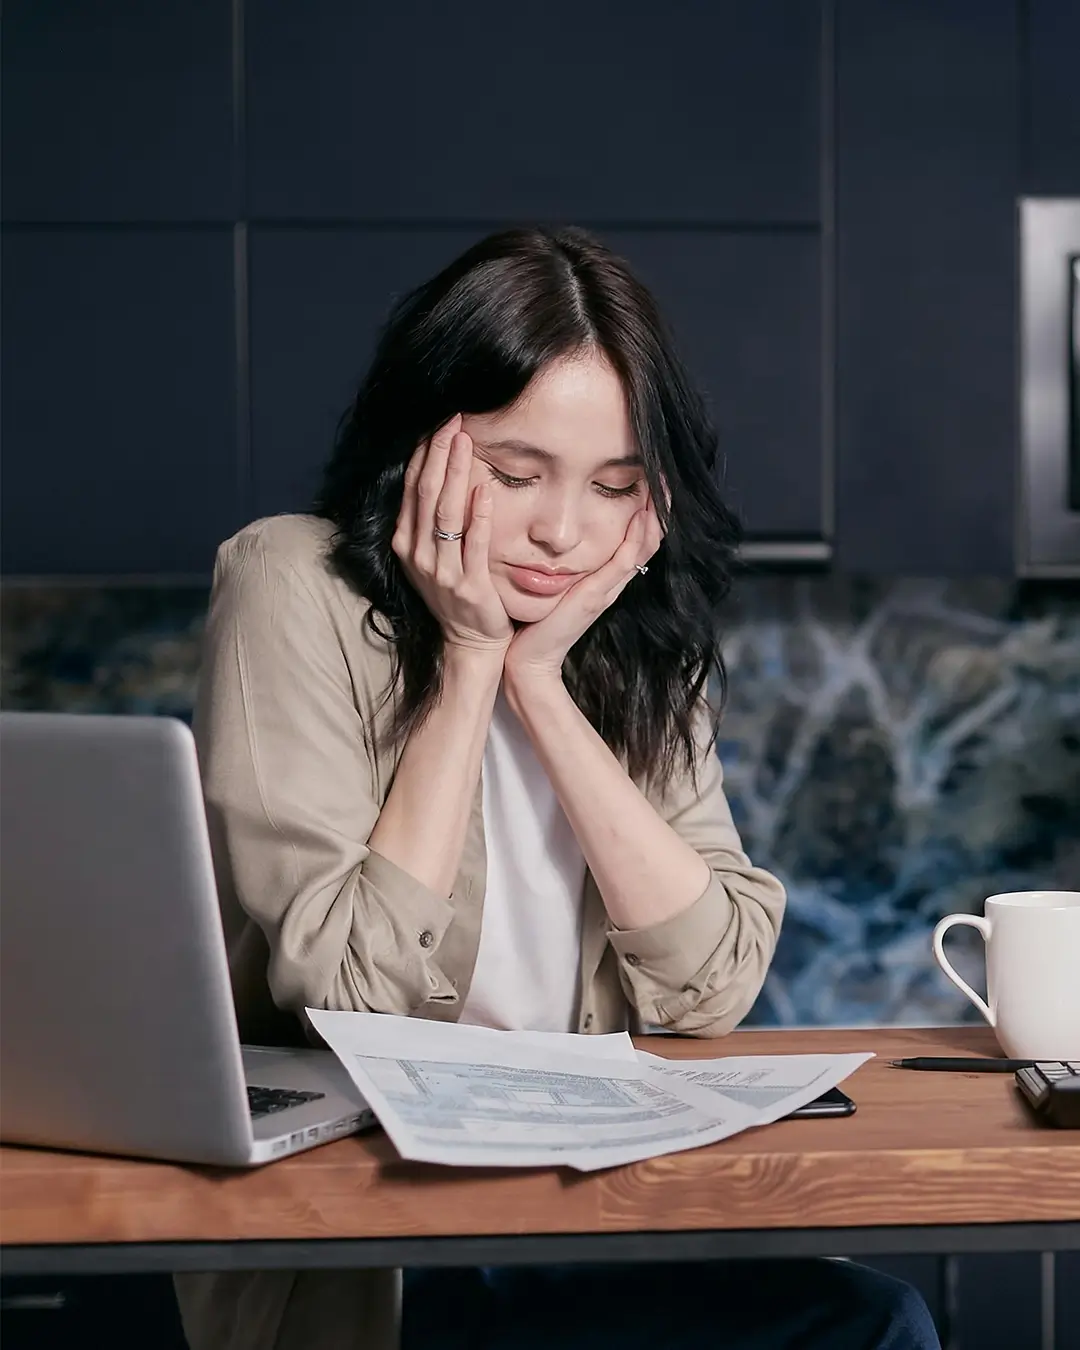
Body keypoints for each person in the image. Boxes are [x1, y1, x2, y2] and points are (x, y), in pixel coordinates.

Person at [174, 227, 941, 1350]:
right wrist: (471, 663)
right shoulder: (290, 583)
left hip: (593, 1212)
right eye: (512, 474)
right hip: (380, 1244)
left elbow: (708, 983)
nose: (562, 530)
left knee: (874, 1325)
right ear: (421, 450)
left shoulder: (626, 635)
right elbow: (351, 992)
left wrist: (540, 681)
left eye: (612, 486)